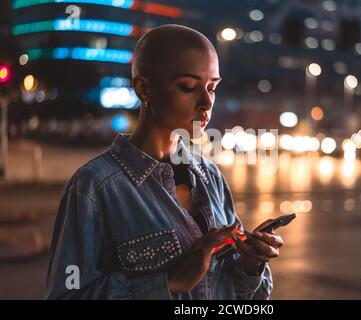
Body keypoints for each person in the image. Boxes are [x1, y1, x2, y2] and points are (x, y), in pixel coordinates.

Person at [45, 24, 284, 300]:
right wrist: (171, 283)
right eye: (188, 87)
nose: (206, 102)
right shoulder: (93, 188)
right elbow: (67, 294)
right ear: (144, 89)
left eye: (212, 87)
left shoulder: (211, 176)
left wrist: (250, 265)